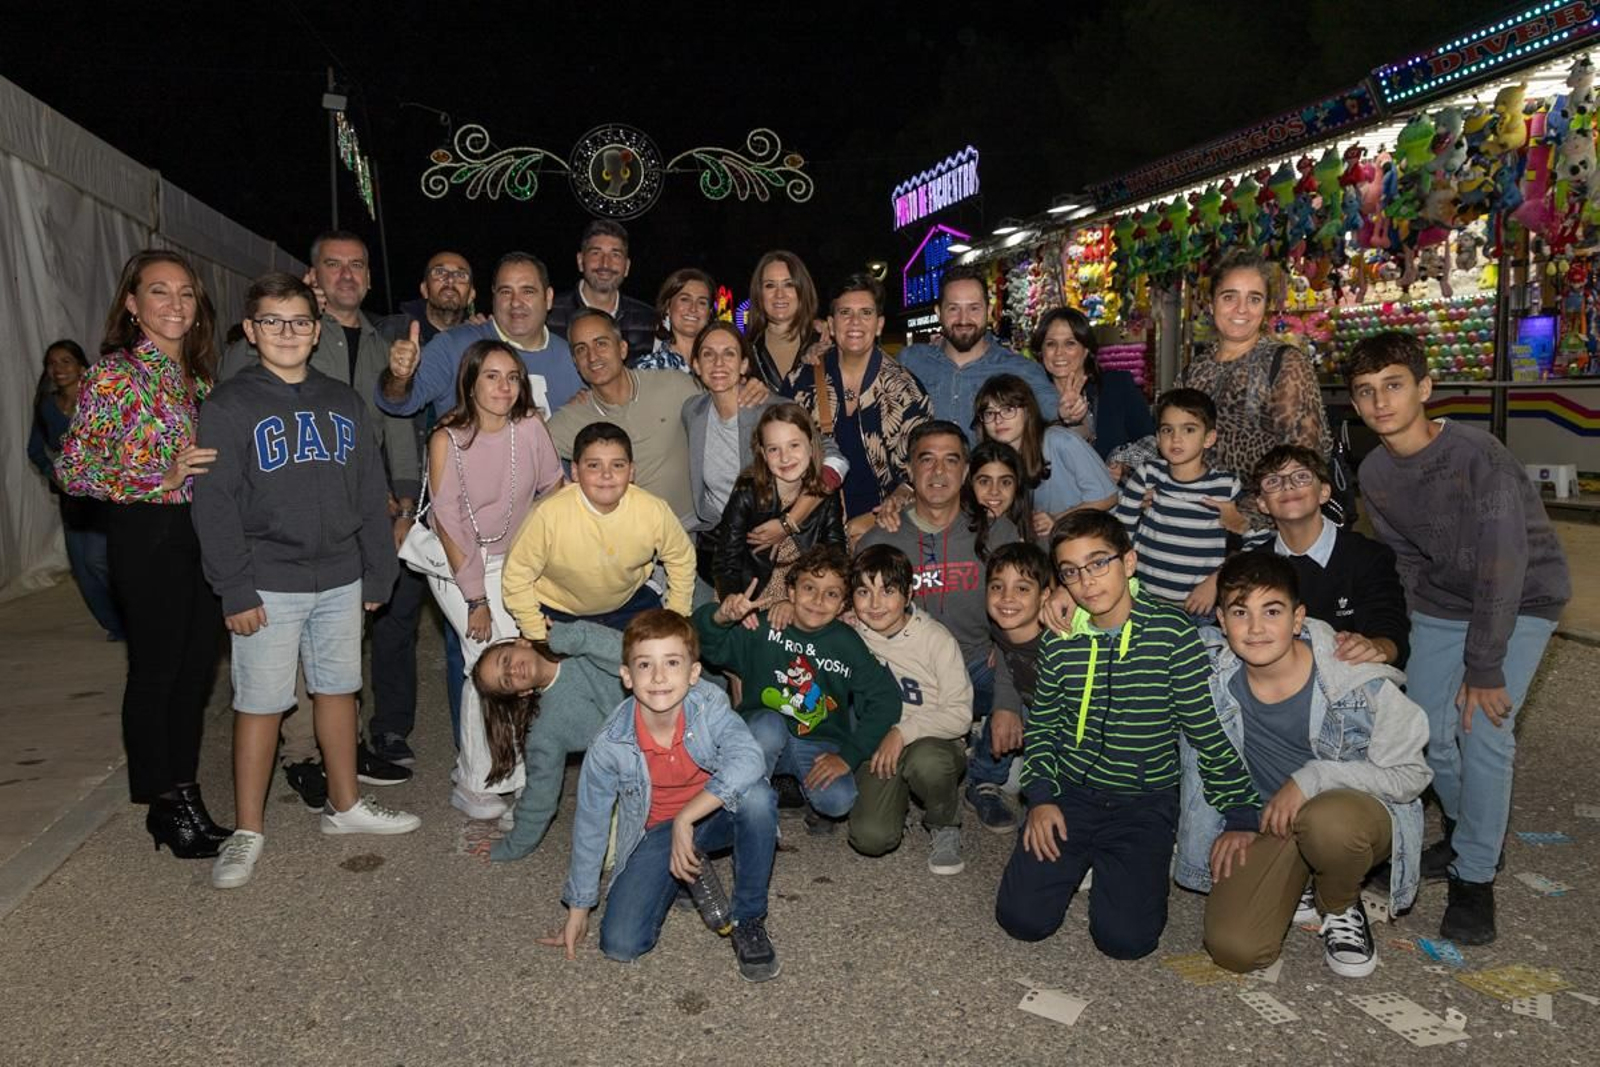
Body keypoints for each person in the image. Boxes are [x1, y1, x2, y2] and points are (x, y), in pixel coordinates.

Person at [193, 272, 420, 888]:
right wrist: (234, 587)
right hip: (267, 582)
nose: (287, 332)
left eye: (299, 321)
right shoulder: (229, 405)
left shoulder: (343, 401)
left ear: (316, 331)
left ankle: (344, 805)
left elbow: (370, 492)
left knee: (339, 690)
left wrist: (378, 570)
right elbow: (214, 504)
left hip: (341, 577)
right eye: (272, 321)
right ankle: (247, 829)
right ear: (251, 330)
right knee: (261, 703)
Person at [1347, 331, 1571, 945]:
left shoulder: (1479, 457)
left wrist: (1484, 667)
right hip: (1444, 603)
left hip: (1523, 597)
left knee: (1483, 729)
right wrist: (1410, 632)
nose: (1380, 402)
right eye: (1365, 391)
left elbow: (1503, 566)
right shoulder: (1374, 471)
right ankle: (1470, 829)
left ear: (1424, 388)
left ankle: (1475, 874)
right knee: (1425, 730)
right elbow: (1405, 561)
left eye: (1393, 385)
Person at [994, 511, 1259, 959]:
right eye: (1071, 572)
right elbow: (1044, 726)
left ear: (1129, 562)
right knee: (1022, 920)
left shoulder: (1173, 634)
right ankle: (1081, 859)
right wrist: (1040, 799)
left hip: (1143, 802)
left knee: (1126, 941)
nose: (1087, 581)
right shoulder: (1060, 639)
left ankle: (1128, 864)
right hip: (1070, 793)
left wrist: (1242, 814)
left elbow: (1204, 729)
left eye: (1099, 563)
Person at [1178, 553, 1431, 978]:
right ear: (1221, 621)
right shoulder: (1210, 672)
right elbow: (1138, 630)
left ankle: (1340, 902)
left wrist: (1314, 776)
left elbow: (1413, 775)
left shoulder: (1356, 678)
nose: (1255, 628)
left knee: (1326, 824)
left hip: (1349, 814)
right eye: (1240, 612)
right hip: (1271, 821)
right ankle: (1302, 882)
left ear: (1298, 619)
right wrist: (1069, 602)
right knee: (1235, 949)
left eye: (1271, 611)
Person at [54, 250, 227, 857]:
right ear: (132, 303)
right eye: (159, 291)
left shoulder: (198, 378)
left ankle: (185, 791)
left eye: (185, 293)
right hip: (147, 533)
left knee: (196, 671)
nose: (175, 304)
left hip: (200, 535)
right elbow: (71, 468)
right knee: (157, 672)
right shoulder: (114, 375)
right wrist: (158, 476)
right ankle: (163, 803)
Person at [541, 609, 780, 981]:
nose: (658, 677)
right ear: (626, 676)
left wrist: (687, 817)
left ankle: (748, 918)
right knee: (620, 944)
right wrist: (579, 909)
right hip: (657, 832)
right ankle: (681, 874)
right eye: (644, 665)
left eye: (672, 662)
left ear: (693, 673)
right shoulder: (610, 744)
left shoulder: (709, 704)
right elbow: (591, 825)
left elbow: (749, 758)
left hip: (714, 814)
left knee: (758, 798)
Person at [421, 341, 565, 820]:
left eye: (512, 377)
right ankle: (478, 782)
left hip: (516, 561)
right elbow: (449, 524)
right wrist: (476, 598)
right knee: (483, 661)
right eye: (491, 376)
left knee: (520, 659)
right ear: (470, 382)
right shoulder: (447, 439)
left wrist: (545, 555)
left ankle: (508, 772)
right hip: (458, 564)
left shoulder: (530, 428)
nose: (504, 387)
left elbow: (554, 489)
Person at [859, 420, 1022, 832]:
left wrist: (1007, 701)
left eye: (951, 461)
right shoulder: (881, 539)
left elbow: (1022, 618)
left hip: (977, 663)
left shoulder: (998, 532)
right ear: (909, 470)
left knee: (1034, 669)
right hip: (908, 676)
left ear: (965, 471)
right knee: (873, 829)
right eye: (926, 460)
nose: (938, 472)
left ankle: (985, 778)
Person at [693, 545, 903, 833]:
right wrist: (720, 617)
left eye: (831, 594)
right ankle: (751, 803)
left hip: (818, 740)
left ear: (843, 605)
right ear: (790, 592)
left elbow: (886, 699)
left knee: (839, 801)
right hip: (762, 733)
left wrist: (849, 756)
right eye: (809, 588)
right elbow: (706, 645)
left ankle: (805, 794)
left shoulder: (847, 643)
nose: (818, 600)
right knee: (768, 726)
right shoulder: (765, 627)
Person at [371, 250, 478, 759]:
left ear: (472, 292)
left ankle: (479, 738)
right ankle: (391, 729)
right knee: (398, 617)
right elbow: (380, 405)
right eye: (439, 273)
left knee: (470, 618)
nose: (449, 281)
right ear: (423, 286)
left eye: (460, 275)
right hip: (405, 496)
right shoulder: (393, 332)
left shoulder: (484, 340)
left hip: (466, 502)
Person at [1176, 247, 1332, 525]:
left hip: (1266, 525)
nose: (1241, 309)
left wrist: (1245, 514)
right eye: (1229, 297)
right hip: (1192, 517)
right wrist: (1129, 465)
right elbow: (1169, 439)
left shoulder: (1285, 363)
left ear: (1266, 306)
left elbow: (1304, 460)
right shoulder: (1192, 372)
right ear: (1211, 304)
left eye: (1254, 299)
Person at [500, 422, 695, 641]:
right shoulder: (547, 515)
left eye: (618, 465)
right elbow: (516, 576)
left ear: (631, 471)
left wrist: (676, 615)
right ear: (575, 471)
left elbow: (682, 558)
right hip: (559, 612)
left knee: (666, 650)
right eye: (593, 465)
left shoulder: (653, 510)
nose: (606, 475)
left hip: (630, 603)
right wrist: (536, 633)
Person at [846, 545, 973, 875]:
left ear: (908, 594)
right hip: (878, 742)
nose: (875, 604)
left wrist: (903, 731)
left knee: (928, 763)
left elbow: (960, 715)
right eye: (864, 592)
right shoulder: (852, 635)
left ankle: (944, 823)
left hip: (933, 738)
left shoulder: (936, 639)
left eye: (887, 591)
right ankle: (895, 802)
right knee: (870, 838)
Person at [682, 322, 843, 581]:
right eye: (708, 354)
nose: (718, 363)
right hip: (718, 544)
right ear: (697, 365)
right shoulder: (693, 411)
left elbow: (835, 459)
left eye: (729, 353)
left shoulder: (772, 410)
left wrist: (789, 521)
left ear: (744, 365)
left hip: (773, 544)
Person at [788, 274, 931, 539]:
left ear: (879, 325)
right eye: (845, 313)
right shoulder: (801, 381)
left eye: (866, 313)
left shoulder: (904, 389)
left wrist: (899, 498)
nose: (855, 322)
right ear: (831, 325)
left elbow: (924, 465)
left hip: (881, 533)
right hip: (811, 532)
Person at [472, 622, 630, 859]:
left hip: (680, 703)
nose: (512, 671)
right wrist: (512, 846)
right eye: (506, 681)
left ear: (522, 643)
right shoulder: (544, 730)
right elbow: (540, 795)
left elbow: (637, 655)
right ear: (522, 693)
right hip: (648, 764)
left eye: (506, 660)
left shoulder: (576, 644)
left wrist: (573, 637)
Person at [545, 309, 717, 524]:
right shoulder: (572, 418)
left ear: (622, 348)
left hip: (685, 530)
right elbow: (525, 452)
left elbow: (723, 408)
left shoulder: (674, 386)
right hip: (617, 538)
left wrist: (749, 387)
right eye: (581, 349)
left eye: (601, 343)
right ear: (575, 362)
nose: (592, 356)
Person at [1248, 445, 1410, 667]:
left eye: (1301, 477)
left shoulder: (1368, 556)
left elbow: (1390, 630)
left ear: (1324, 492)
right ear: (1262, 503)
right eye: (1273, 481)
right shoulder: (1253, 567)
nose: (1288, 486)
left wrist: (1375, 647)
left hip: (1352, 674)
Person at [380, 251, 581, 421]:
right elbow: (396, 403)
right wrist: (399, 377)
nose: (515, 302)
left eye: (527, 291)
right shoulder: (453, 346)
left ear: (548, 298)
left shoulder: (576, 357)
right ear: (493, 298)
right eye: (505, 292)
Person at [1113, 389, 1245, 616]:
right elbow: (1120, 530)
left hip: (1198, 607)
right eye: (1167, 430)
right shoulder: (1148, 474)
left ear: (1209, 438)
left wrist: (1217, 580)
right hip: (1144, 601)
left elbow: (1251, 544)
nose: (1176, 438)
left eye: (1189, 429)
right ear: (1157, 438)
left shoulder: (1226, 486)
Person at [27, 339, 123, 641]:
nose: (57, 368)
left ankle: (133, 617)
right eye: (52, 363)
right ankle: (115, 626)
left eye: (65, 361)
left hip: (101, 493)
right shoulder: (46, 406)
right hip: (70, 497)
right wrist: (52, 473)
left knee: (98, 559)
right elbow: (35, 450)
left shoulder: (99, 400)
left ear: (82, 367)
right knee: (82, 568)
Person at [899, 264, 1058, 438]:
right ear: (938, 312)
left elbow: (1060, 418)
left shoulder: (1021, 370)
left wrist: (1072, 413)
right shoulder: (910, 361)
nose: (963, 319)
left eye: (974, 308)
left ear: (988, 311)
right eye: (953, 308)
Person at [712, 404, 846, 605]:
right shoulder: (748, 493)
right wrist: (734, 599)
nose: (785, 457)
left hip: (804, 588)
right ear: (763, 454)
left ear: (811, 446)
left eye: (794, 445)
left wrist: (797, 601)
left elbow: (835, 551)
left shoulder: (824, 491)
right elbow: (726, 559)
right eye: (774, 449)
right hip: (750, 587)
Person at [972, 373, 1116, 539]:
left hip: (1099, 536)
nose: (998, 420)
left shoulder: (1058, 440)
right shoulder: (999, 460)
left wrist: (1058, 519)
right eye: (989, 413)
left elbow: (1108, 497)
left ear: (1028, 411)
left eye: (1008, 409)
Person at [1033, 306, 1153, 464]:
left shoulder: (1117, 386)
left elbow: (1151, 443)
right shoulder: (1032, 398)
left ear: (1086, 350)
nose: (1059, 352)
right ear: (1041, 351)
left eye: (1070, 343)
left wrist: (1123, 464)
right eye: (1051, 344)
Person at [985, 541, 1053, 773]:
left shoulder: (1058, 643)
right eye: (997, 587)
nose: (1007, 597)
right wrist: (1005, 706)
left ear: (1044, 596)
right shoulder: (998, 629)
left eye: (1022, 589)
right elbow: (1005, 656)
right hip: (1031, 707)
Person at [545, 220, 658, 356]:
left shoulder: (649, 321)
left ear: (627, 267)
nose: (605, 264)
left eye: (615, 255)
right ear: (580, 261)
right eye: (596, 253)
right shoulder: (548, 316)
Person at [744, 250, 821, 394]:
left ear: (803, 290)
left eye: (789, 284)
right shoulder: (745, 351)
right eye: (770, 285)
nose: (779, 294)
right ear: (759, 293)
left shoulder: (825, 343)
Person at [633, 268, 713, 372]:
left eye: (702, 302)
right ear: (667, 307)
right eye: (685, 299)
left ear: (709, 313)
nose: (693, 308)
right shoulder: (648, 369)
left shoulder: (719, 365)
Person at [964, 440, 1033, 540]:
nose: (994, 491)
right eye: (984, 482)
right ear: (970, 483)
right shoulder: (955, 532)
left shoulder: (1038, 531)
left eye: (1005, 482)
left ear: (1017, 485)